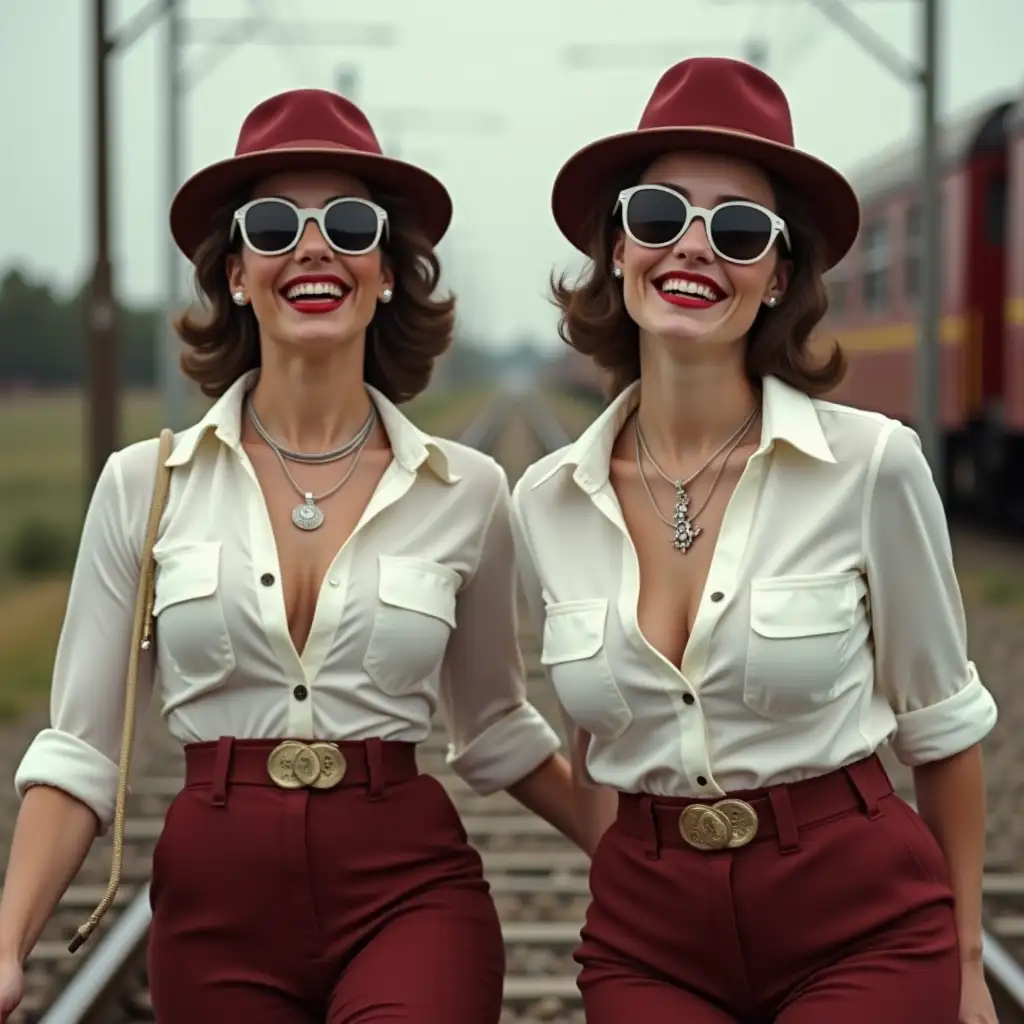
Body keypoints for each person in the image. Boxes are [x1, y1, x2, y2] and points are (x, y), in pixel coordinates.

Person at [0, 88, 578, 1024]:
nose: (313, 247)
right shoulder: (144, 485)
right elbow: (79, 755)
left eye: (349, 225)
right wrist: (7, 946)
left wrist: (650, 865)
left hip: (409, 894)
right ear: (235, 273)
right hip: (217, 912)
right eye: (274, 226)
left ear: (388, 271)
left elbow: (500, 730)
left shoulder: (467, 490)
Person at [510, 57, 999, 1024]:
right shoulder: (546, 501)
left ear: (778, 276)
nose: (693, 248)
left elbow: (943, 732)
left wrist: (970, 967)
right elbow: (600, 738)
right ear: (617, 249)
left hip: (860, 920)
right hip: (651, 942)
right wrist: (639, 879)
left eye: (737, 229)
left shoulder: (873, 466)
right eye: (659, 216)